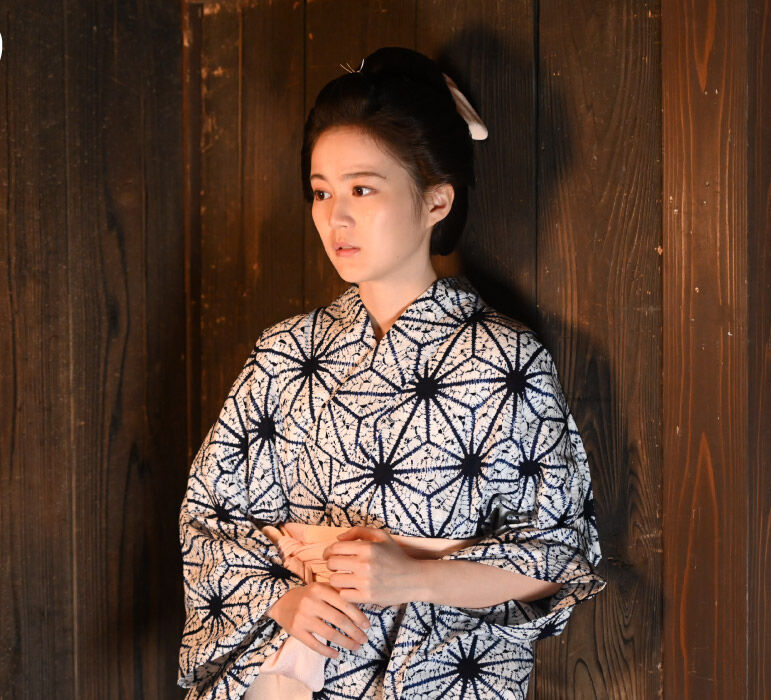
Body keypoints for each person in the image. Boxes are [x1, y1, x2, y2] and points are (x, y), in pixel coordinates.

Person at [177, 46, 605, 700]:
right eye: (322, 191)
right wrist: (282, 599)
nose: (335, 217)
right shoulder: (284, 351)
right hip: (295, 670)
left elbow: (557, 553)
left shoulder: (504, 358)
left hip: (442, 671)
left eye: (362, 189)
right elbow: (208, 518)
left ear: (436, 200)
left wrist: (415, 578)